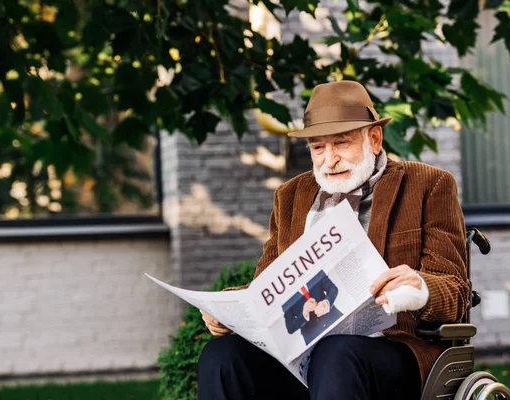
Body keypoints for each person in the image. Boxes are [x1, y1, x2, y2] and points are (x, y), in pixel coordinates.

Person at [198, 80, 469, 399]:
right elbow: (266, 286)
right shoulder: (291, 196)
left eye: (341, 143)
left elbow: (455, 291)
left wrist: (419, 287)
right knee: (222, 355)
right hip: (301, 356)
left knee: (335, 352)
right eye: (318, 148)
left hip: (390, 352)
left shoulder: (428, 185)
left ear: (374, 138)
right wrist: (229, 308)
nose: (329, 160)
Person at [283, 269, 343, 345]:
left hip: (335, 319)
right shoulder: (284, 296)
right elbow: (290, 328)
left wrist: (326, 302)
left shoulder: (314, 270)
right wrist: (304, 313)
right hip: (314, 337)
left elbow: (333, 288)